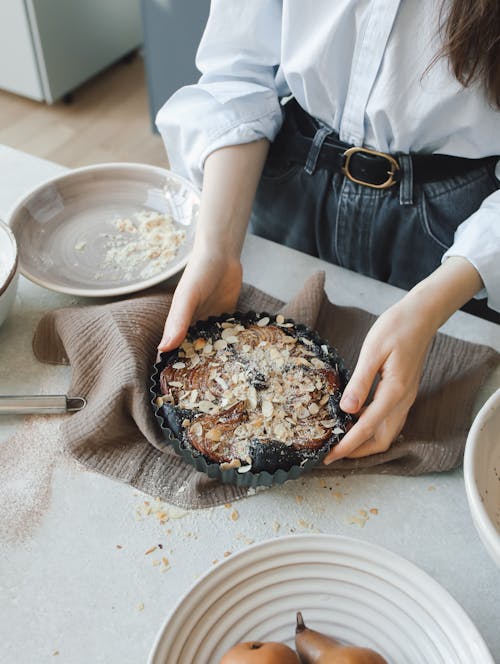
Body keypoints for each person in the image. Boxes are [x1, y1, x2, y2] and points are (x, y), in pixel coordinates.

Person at [155, 1, 500, 465]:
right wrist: (217, 249)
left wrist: (433, 303)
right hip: (289, 173)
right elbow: (239, 72)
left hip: (460, 230)